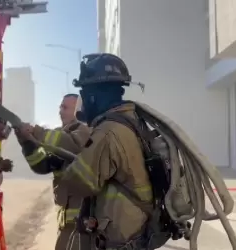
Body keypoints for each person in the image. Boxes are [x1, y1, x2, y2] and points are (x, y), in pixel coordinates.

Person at [56, 53, 154, 250]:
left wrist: (61, 163)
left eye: (84, 93)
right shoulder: (133, 121)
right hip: (138, 231)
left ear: (94, 95)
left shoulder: (108, 132)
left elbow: (79, 183)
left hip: (121, 240)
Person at [15, 93, 91, 250]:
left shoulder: (85, 130)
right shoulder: (59, 133)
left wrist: (35, 132)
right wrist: (26, 142)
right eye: (60, 107)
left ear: (77, 110)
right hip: (67, 220)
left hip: (83, 220)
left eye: (65, 107)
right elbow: (42, 165)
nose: (60, 111)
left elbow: (71, 145)